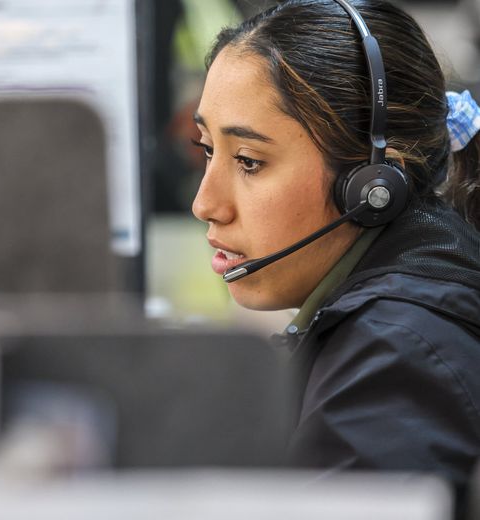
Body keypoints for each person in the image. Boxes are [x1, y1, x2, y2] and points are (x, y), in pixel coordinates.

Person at [191, 0, 480, 490]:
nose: (206, 203)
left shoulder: (396, 359)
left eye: (248, 161)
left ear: (372, 185)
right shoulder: (392, 323)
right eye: (206, 149)